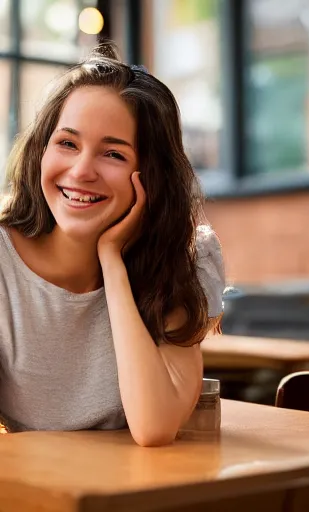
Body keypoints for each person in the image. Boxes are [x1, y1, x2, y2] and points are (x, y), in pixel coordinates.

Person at [0, 43, 225, 446]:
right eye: (67, 143)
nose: (81, 171)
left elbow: (155, 427)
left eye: (113, 154)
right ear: (41, 151)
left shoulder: (182, 262)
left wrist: (112, 263)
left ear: (150, 175)